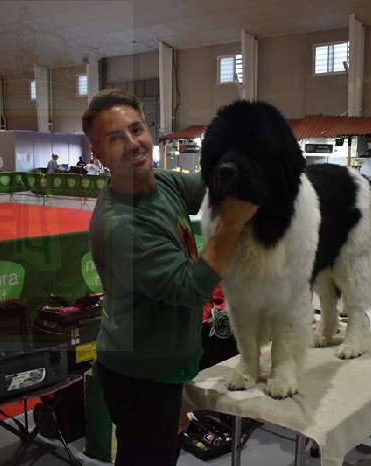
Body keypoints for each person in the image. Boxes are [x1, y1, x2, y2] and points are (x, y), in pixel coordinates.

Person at [81, 88, 258, 466]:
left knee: (163, 452)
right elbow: (190, 289)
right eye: (115, 138)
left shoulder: (162, 183)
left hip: (166, 366)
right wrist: (233, 222)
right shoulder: (121, 225)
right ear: (98, 154)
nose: (133, 143)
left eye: (136, 129)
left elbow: (212, 186)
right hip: (141, 375)